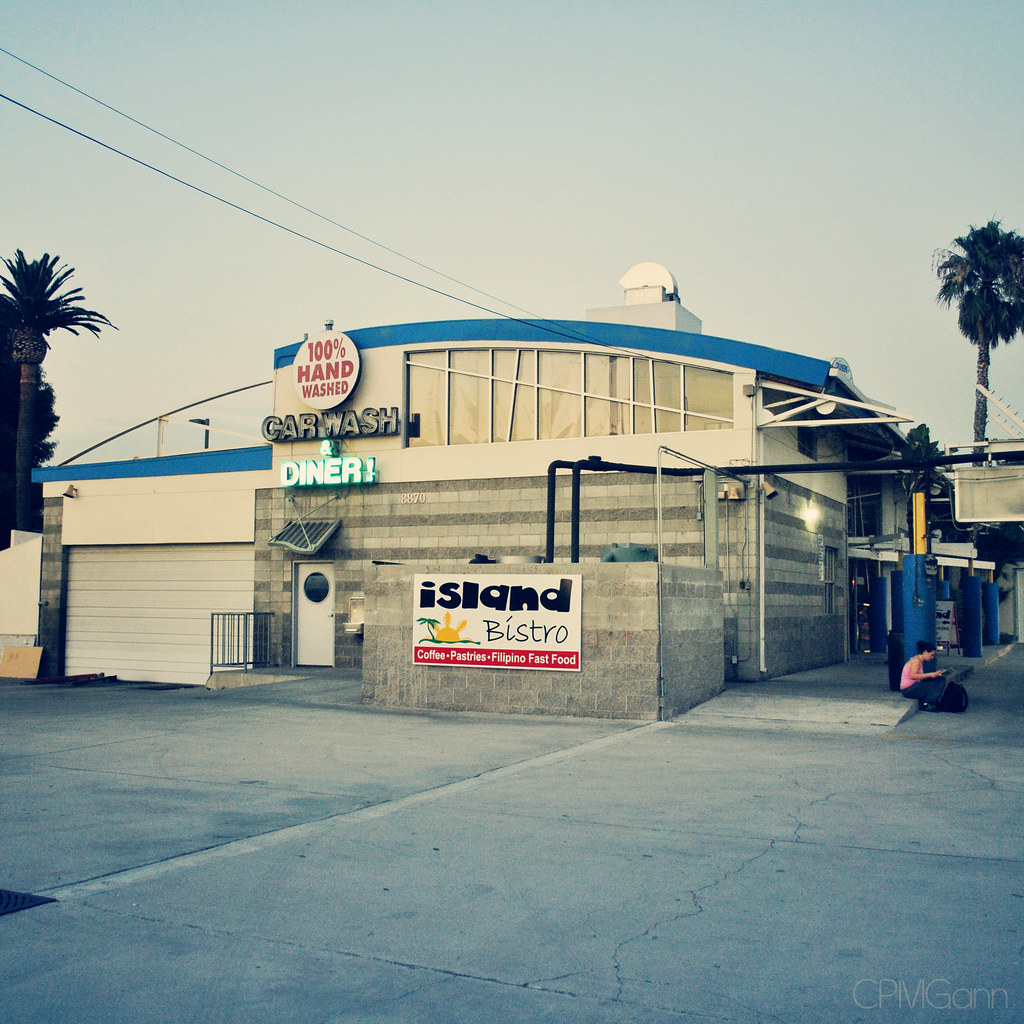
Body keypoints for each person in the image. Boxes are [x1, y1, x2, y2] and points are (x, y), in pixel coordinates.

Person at [900, 640, 948, 711]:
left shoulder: (919, 661)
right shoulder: (916, 661)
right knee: (935, 684)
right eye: (931, 655)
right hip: (908, 690)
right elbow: (913, 676)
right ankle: (927, 703)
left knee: (940, 680)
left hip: (914, 686)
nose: (932, 657)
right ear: (925, 652)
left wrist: (936, 674)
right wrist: (931, 675)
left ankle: (932, 701)